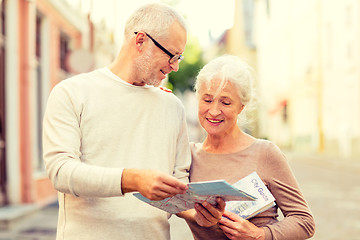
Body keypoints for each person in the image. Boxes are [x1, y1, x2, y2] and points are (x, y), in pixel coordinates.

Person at [42, 3, 192, 240]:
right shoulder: (72, 92)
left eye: (180, 57)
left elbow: (179, 181)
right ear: (141, 41)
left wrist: (197, 213)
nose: (175, 66)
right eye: (172, 55)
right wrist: (132, 180)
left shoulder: (172, 106)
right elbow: (61, 171)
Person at [179, 55, 316, 240]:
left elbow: (304, 221)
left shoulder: (265, 153)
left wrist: (259, 234)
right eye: (207, 100)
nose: (213, 111)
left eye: (225, 102)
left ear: (241, 107)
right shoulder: (187, 156)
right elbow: (171, 202)